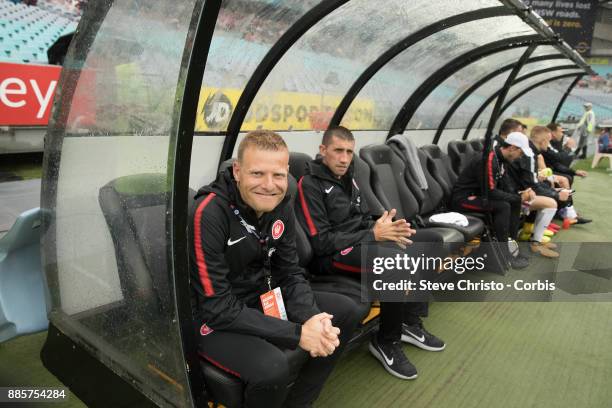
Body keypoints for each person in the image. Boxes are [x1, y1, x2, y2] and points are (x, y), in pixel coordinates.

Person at [190, 130, 361, 408]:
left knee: (342, 314)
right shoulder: (208, 213)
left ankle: (299, 402)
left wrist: (313, 319)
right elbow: (217, 308)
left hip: (261, 298)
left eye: (278, 175)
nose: (269, 185)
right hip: (214, 316)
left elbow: (289, 272)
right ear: (237, 171)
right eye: (257, 174)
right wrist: (298, 334)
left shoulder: (282, 202)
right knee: (272, 367)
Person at [295, 126, 446, 381]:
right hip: (331, 257)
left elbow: (361, 217)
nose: (344, 158)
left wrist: (386, 226)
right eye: (338, 151)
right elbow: (320, 242)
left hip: (362, 240)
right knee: (395, 264)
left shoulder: (349, 176)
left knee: (430, 241)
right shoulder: (309, 184)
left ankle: (410, 322)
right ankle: (386, 341)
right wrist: (373, 235)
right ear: (323, 151)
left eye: (349, 152)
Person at [452, 132, 534, 269]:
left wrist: (518, 195)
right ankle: (505, 254)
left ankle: (512, 248)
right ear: (512, 148)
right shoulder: (489, 160)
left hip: (480, 197)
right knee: (503, 206)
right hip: (463, 199)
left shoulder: (501, 160)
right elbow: (490, 192)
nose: (520, 157)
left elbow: (505, 186)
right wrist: (518, 197)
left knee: (513, 202)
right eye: (520, 153)